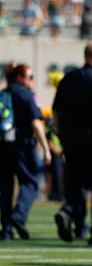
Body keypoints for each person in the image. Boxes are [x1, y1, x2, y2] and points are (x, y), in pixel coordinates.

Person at [52, 40, 92, 246]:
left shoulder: (69, 78)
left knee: (75, 183)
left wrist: (61, 136)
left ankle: (70, 213)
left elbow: (57, 111)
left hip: (72, 140)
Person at [0, 63, 52, 240]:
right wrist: (46, 148)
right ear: (20, 78)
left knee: (5, 188)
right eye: (30, 77)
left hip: (3, 146)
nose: (32, 81)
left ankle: (6, 230)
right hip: (23, 146)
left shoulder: (2, 95)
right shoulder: (27, 96)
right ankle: (19, 215)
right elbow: (36, 123)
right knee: (30, 182)